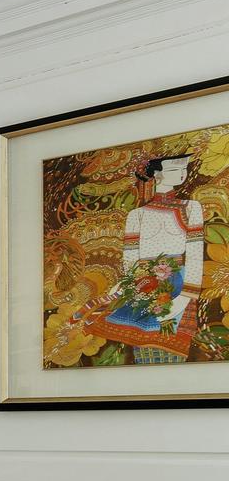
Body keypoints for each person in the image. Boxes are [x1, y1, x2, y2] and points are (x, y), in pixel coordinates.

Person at [88, 154, 206, 359]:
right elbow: (130, 257)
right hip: (142, 283)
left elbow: (195, 253)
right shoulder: (137, 214)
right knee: (142, 347)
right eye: (172, 170)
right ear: (156, 174)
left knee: (171, 346)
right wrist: (129, 284)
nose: (180, 174)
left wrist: (188, 294)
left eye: (183, 169)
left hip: (177, 282)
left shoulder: (190, 207)